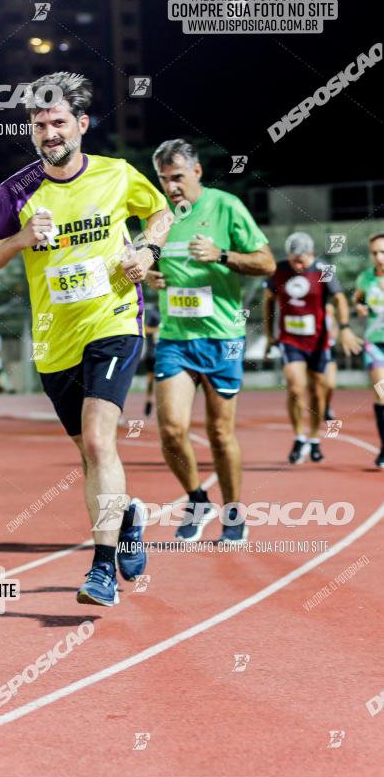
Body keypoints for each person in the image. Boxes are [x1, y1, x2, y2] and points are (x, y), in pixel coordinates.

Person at [0, 71, 172, 606]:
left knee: (101, 440)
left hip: (112, 322)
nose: (50, 133)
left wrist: (148, 251)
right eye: (40, 125)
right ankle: (127, 512)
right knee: (90, 454)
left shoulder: (116, 174)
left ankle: (101, 570)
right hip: (52, 341)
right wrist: (18, 238)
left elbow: (161, 212)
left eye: (58, 122)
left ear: (81, 125)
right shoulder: (15, 191)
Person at [146, 139, 276, 544]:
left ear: (197, 173)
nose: (172, 187)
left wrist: (221, 255)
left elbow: (266, 262)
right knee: (170, 430)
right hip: (176, 338)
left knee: (220, 434)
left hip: (222, 338)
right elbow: (144, 258)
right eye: (164, 180)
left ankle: (234, 513)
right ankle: (196, 498)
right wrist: (149, 275)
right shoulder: (159, 215)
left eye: (178, 178)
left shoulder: (225, 206)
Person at [264, 231, 362, 464]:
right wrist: (269, 335)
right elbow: (268, 300)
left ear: (312, 254)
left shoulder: (324, 270)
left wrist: (345, 327)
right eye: (293, 259)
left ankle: (315, 438)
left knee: (319, 390)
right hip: (290, 340)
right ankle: (299, 437)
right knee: (296, 387)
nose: (298, 264)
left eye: (302, 260)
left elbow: (339, 298)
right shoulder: (278, 270)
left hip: (318, 340)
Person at [352, 231, 384, 468]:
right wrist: (360, 307)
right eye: (375, 253)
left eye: (383, 252)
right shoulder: (365, 278)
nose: (379, 257)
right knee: (382, 393)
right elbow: (358, 298)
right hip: (375, 342)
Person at [143, 305, 160, 416]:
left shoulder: (167, 312)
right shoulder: (152, 312)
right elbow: (145, 328)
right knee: (151, 378)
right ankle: (149, 400)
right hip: (152, 354)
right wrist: (160, 329)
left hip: (165, 353)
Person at [323, 304, 338, 421]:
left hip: (328, 349)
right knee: (315, 385)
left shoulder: (329, 308)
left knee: (331, 384)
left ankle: (326, 405)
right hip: (311, 349)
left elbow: (334, 328)